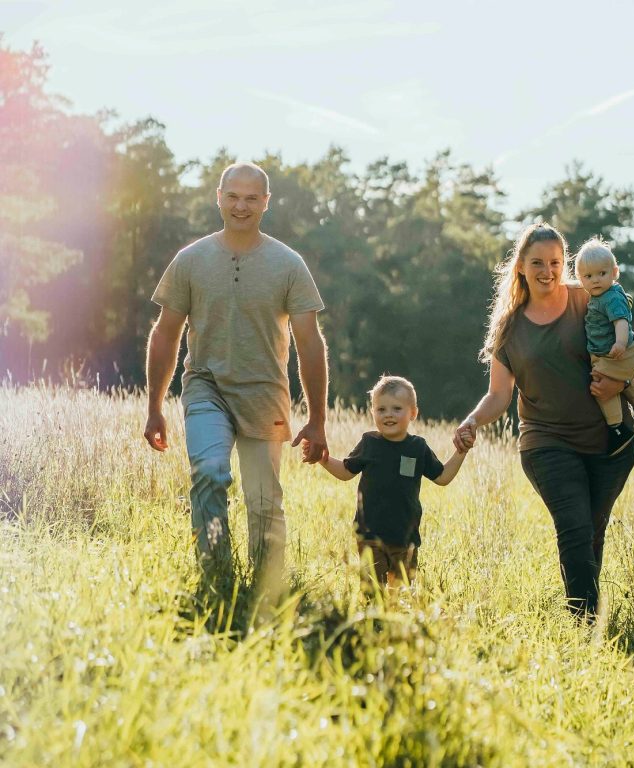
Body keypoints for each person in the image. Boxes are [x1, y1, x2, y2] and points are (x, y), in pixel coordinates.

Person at [144, 162, 328, 604]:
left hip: (265, 393)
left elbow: (309, 342)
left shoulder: (288, 264)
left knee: (263, 501)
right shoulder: (190, 261)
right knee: (209, 472)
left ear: (266, 202)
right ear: (219, 197)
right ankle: (216, 578)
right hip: (206, 386)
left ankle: (267, 592)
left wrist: (318, 419)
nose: (241, 206)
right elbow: (166, 333)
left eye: (251, 198)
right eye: (233, 196)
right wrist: (155, 406)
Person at [454, 223, 634, 619]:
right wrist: (472, 420)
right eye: (537, 262)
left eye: (555, 262)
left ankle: (589, 622)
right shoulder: (510, 327)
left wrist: (615, 384)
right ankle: (584, 627)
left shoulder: (588, 300)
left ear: (565, 263)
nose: (547, 271)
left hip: (609, 441)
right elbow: (499, 394)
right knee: (574, 528)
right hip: (546, 442)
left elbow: (630, 349)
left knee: (592, 532)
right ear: (520, 266)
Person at [317, 375, 469, 589]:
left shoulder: (418, 447)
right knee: (372, 591)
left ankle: (394, 621)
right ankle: (372, 621)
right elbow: (345, 471)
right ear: (373, 413)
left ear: (413, 413)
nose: (388, 414)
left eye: (397, 409)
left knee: (400, 594)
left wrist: (461, 452)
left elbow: (442, 477)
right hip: (370, 535)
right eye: (381, 409)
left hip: (405, 537)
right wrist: (322, 459)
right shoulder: (369, 443)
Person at [574, 238, 634, 456]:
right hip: (618, 354)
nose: (596, 280)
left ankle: (617, 430)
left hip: (620, 352)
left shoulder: (611, 298)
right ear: (580, 279)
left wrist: (619, 342)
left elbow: (621, 321)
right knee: (624, 380)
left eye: (602, 274)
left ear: (615, 272)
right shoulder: (600, 295)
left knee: (602, 389)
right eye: (588, 276)